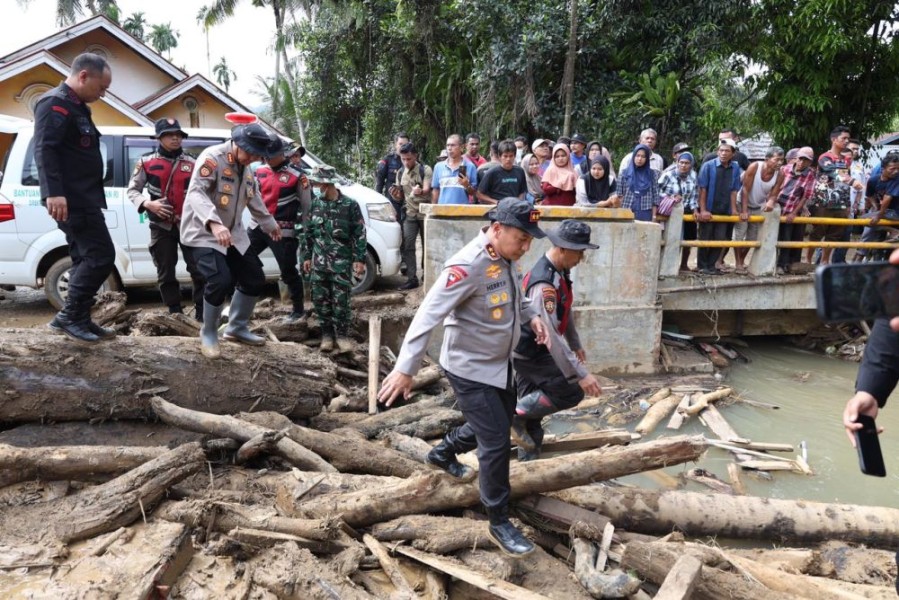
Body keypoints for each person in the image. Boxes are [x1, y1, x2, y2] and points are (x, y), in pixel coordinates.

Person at [377, 197, 551, 557]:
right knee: (496, 443)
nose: (527, 246)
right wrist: (405, 369)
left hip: (500, 364)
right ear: (498, 229)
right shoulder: (467, 266)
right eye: (522, 238)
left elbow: (517, 300)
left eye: (530, 240)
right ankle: (499, 520)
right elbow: (427, 315)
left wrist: (532, 316)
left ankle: (442, 453)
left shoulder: (506, 258)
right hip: (470, 369)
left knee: (499, 422)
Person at [181, 122, 282, 358]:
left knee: (254, 278)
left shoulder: (246, 168)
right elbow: (196, 192)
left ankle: (236, 327)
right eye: (251, 153)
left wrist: (269, 224)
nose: (253, 159)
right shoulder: (212, 158)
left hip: (232, 233)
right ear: (237, 144)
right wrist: (213, 223)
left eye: (258, 155)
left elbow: (253, 196)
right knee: (220, 280)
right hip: (202, 232)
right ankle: (208, 332)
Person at [36, 52, 115, 344]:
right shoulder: (55, 103)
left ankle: (78, 318)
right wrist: (53, 192)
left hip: (84, 197)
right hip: (71, 198)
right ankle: (69, 317)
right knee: (101, 256)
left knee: (84, 256)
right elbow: (46, 149)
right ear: (83, 76)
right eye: (101, 87)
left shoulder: (77, 106)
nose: (103, 94)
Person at [511, 220, 603, 461]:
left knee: (533, 414)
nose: (581, 257)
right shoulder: (544, 284)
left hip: (531, 350)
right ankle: (512, 415)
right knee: (571, 391)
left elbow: (566, 309)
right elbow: (550, 334)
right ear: (562, 248)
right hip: (532, 352)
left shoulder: (560, 272)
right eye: (579, 251)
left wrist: (576, 343)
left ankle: (527, 468)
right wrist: (581, 373)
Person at [127, 117, 206, 320]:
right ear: (159, 138)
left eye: (178, 135)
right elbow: (133, 191)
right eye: (170, 135)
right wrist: (147, 204)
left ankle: (201, 314)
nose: (175, 138)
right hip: (160, 225)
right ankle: (174, 313)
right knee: (165, 271)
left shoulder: (193, 163)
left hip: (189, 225)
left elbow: (203, 192)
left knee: (199, 270)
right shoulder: (146, 162)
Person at [303, 165, 367, 353]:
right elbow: (307, 233)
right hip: (319, 263)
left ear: (327, 183)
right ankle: (327, 335)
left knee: (341, 302)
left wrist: (360, 259)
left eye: (317, 182)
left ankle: (342, 335)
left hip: (341, 262)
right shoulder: (314, 205)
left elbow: (359, 233)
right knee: (321, 301)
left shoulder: (349, 205)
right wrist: (306, 257)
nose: (314, 185)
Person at [249, 133, 312, 322]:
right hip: (257, 226)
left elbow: (308, 207)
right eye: (265, 154)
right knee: (243, 260)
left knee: (288, 271)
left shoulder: (298, 176)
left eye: (272, 154)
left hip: (284, 231)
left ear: (283, 153)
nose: (267, 157)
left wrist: (305, 235)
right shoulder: (258, 171)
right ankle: (242, 308)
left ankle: (298, 310)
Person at [733, 147, 785, 274]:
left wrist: (771, 201)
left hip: (758, 206)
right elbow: (745, 189)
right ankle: (738, 263)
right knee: (740, 233)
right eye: (776, 159)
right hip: (743, 202)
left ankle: (741, 259)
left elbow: (774, 193)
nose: (779, 163)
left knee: (753, 237)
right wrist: (744, 211)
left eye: (782, 160)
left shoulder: (780, 174)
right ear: (767, 159)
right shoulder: (755, 167)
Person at [765, 147, 816, 275]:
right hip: (777, 206)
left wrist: (794, 212)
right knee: (772, 237)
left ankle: (784, 265)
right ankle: (772, 264)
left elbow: (805, 196)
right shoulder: (785, 169)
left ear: (810, 162)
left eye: (806, 160)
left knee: (788, 238)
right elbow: (774, 188)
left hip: (791, 208)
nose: (801, 163)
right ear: (795, 158)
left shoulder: (810, 174)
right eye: (800, 159)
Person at [696, 139, 742, 274]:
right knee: (705, 237)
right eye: (721, 150)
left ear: (733, 153)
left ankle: (711, 266)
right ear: (717, 152)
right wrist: (703, 209)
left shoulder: (735, 168)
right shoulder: (708, 166)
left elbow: (734, 190)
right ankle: (702, 266)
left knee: (720, 238)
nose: (723, 153)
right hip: (709, 208)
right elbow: (702, 188)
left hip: (724, 209)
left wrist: (734, 209)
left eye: (727, 151)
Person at [392, 142, 432, 290]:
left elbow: (427, 189)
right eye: (403, 159)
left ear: (415, 156)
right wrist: (396, 196)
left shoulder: (425, 169)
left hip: (425, 213)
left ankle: (426, 275)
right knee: (408, 246)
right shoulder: (400, 172)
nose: (406, 162)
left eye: (409, 159)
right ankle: (411, 278)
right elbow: (400, 195)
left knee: (426, 245)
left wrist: (420, 191)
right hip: (409, 213)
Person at [853, 154, 899, 262]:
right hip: (886, 212)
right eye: (893, 169)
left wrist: (879, 214)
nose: (896, 171)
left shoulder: (897, 179)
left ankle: (859, 257)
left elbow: (888, 198)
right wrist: (875, 207)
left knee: (866, 220)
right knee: (872, 228)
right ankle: (867, 258)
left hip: (895, 212)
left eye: (898, 168)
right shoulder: (873, 180)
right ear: (883, 169)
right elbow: (870, 195)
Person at [657, 152, 698, 272]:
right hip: (671, 211)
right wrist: (670, 197)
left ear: (691, 165)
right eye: (681, 162)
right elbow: (656, 191)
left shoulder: (694, 176)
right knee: (670, 238)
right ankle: (666, 266)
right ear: (677, 162)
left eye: (687, 163)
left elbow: (694, 195)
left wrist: (695, 209)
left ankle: (684, 264)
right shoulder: (668, 175)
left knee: (688, 239)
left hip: (687, 210)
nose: (683, 165)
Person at [616, 143, 660, 222]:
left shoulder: (653, 174)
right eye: (637, 155)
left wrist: (654, 216)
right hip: (627, 209)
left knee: (643, 234)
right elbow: (619, 195)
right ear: (633, 156)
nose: (640, 159)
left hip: (645, 211)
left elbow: (655, 197)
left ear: (647, 159)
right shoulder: (624, 174)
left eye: (643, 156)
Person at [477, 140, 527, 205]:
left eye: (511, 156)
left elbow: (522, 191)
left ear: (514, 156)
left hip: (515, 207)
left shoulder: (520, 171)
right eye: (505, 156)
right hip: (497, 209)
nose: (508, 159)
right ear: (500, 156)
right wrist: (496, 202)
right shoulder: (492, 172)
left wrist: (518, 202)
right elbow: (479, 194)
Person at [432, 134, 478, 205]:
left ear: (461, 147)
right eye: (448, 145)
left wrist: (467, 185)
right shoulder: (438, 167)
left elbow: (474, 193)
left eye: (453, 145)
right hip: (442, 212)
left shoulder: (470, 166)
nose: (449, 148)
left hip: (462, 212)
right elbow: (435, 190)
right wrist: (433, 210)